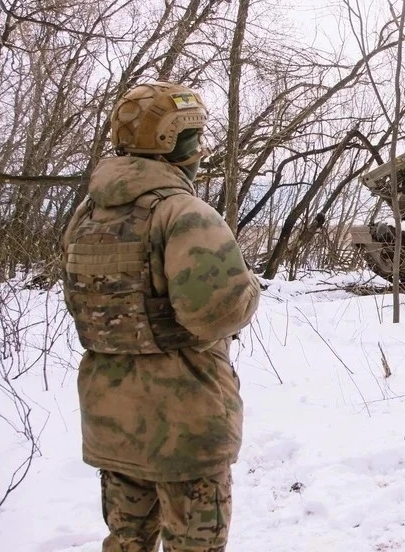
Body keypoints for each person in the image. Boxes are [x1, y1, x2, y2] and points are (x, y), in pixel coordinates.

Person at [61, 82, 261, 552]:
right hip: (185, 424)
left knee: (126, 541)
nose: (201, 147)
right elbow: (217, 313)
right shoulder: (184, 213)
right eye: (194, 136)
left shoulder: (88, 213)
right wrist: (249, 288)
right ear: (173, 142)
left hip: (112, 418)